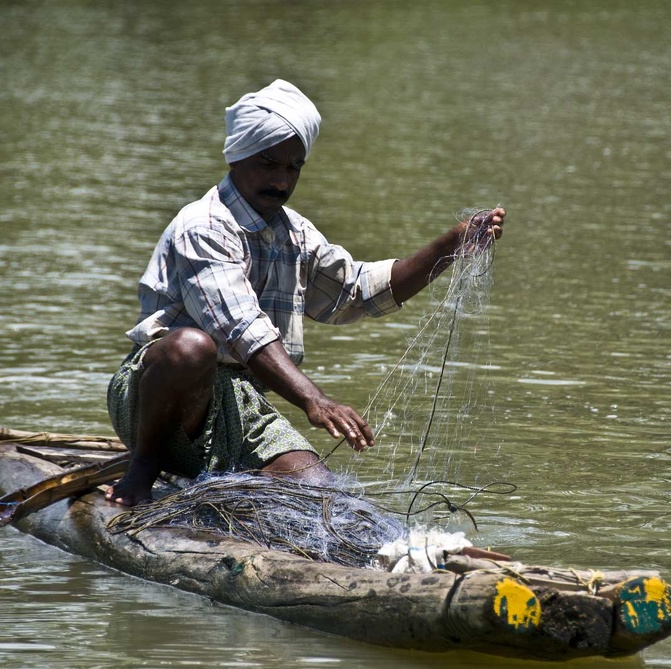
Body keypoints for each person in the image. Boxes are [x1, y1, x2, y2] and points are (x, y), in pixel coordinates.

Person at [105, 79, 505, 506]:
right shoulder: (203, 225)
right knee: (190, 348)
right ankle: (142, 467)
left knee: (323, 499)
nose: (280, 181)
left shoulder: (294, 232)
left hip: (238, 407)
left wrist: (450, 247)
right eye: (268, 163)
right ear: (237, 157)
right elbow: (242, 327)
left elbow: (358, 290)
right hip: (159, 400)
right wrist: (315, 400)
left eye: (293, 167)